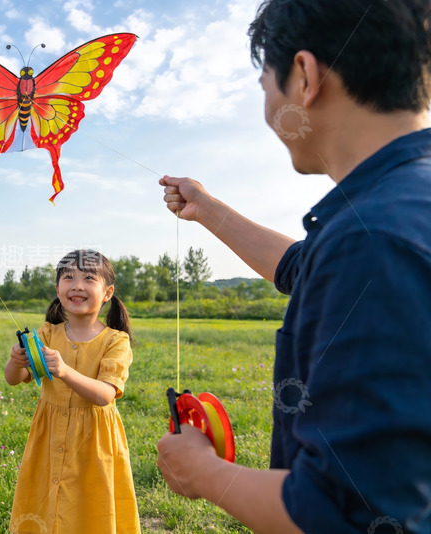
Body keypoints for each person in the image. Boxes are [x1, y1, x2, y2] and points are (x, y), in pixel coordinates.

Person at [155, 0, 431, 533]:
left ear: (304, 76)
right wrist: (206, 209)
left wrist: (205, 473)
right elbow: (303, 267)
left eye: (265, 87)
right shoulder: (398, 207)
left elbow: (346, 517)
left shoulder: (373, 241)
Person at [4, 250, 140, 534]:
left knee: (91, 504)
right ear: (58, 289)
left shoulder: (116, 340)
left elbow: (105, 394)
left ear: (107, 293)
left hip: (94, 441)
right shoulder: (46, 334)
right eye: (68, 277)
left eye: (89, 278)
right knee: (44, 500)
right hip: (49, 435)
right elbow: (15, 379)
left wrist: (65, 371)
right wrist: (16, 362)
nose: (77, 285)